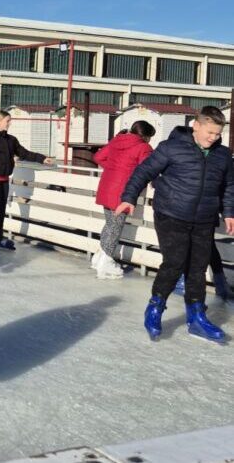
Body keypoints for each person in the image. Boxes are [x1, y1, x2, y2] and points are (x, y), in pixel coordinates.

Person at [117, 106, 234, 342]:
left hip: (203, 218)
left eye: (218, 134)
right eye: (209, 132)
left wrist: (229, 212)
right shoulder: (171, 148)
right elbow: (143, 172)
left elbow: (229, 186)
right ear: (196, 126)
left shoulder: (222, 155)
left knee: (198, 268)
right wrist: (129, 198)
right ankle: (155, 308)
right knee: (175, 262)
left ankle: (196, 317)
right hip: (171, 214)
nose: (213, 138)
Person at [0, 110, 54, 252]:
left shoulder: (11, 140)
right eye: (8, 120)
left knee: (2, 208)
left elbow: (24, 153)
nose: (10, 123)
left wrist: (42, 158)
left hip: (4, 177)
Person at [91, 121, 155, 279]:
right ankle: (105, 262)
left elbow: (98, 157)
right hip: (122, 191)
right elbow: (147, 168)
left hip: (107, 186)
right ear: (145, 136)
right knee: (115, 227)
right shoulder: (143, 147)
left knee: (110, 224)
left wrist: (114, 167)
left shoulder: (116, 140)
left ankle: (99, 257)